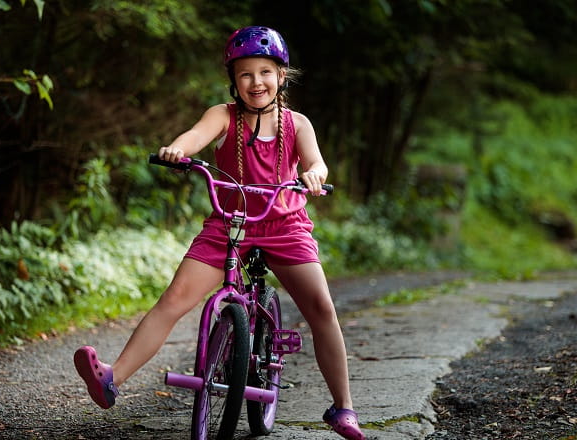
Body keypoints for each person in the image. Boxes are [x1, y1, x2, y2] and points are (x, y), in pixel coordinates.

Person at [74, 26, 365, 440]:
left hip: (284, 224)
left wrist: (314, 175)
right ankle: (111, 377)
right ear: (234, 80)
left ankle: (343, 407)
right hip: (229, 224)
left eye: (265, 72)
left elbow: (316, 163)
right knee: (174, 298)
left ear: (281, 76)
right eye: (245, 74)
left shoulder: (297, 124)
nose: (255, 82)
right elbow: (195, 136)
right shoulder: (223, 116)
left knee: (321, 307)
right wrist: (179, 149)